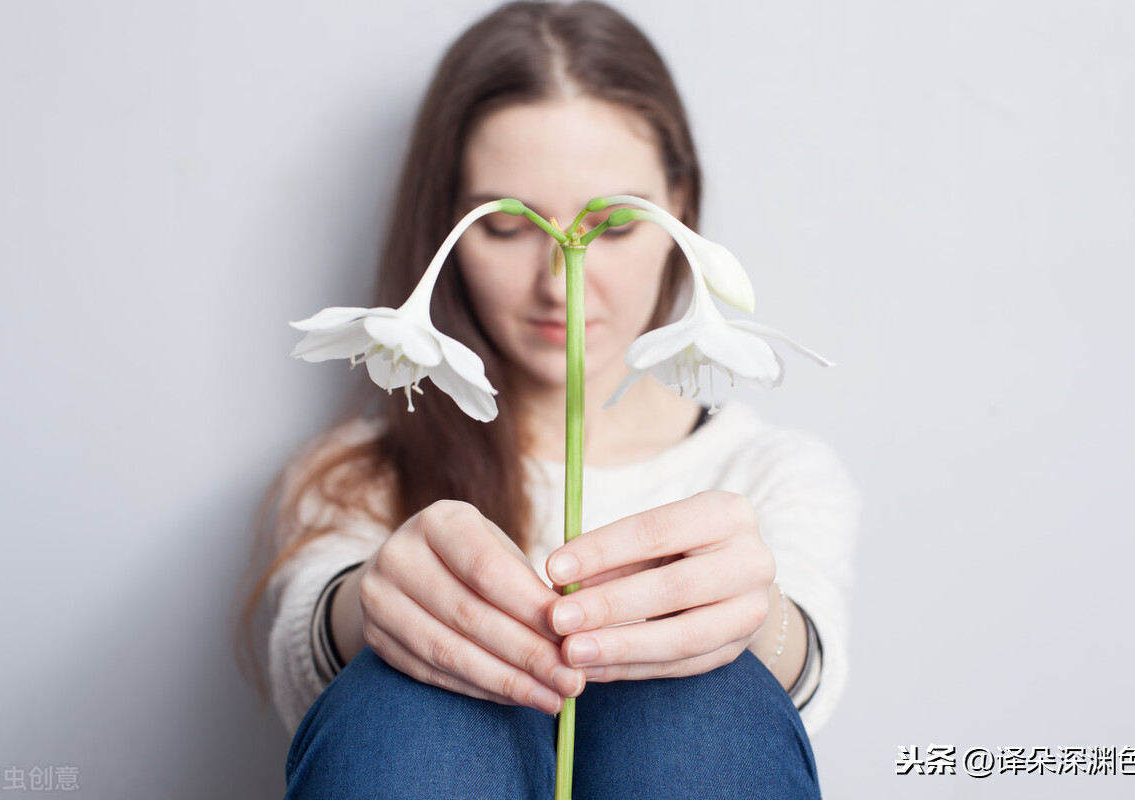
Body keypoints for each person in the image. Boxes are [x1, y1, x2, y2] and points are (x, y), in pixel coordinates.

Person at [240, 2, 858, 797]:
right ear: (447, 225)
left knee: (707, 694)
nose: (562, 279)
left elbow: (812, 673)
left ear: (682, 207)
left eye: (617, 223)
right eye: (504, 226)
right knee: (411, 693)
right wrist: (369, 604)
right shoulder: (357, 470)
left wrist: (758, 616)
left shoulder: (773, 470)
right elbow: (305, 651)